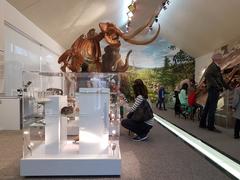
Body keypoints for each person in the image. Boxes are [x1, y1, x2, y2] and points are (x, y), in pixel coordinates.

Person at [199, 53, 230, 132]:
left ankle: (202, 124)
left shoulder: (215, 67)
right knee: (212, 108)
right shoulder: (212, 67)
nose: (222, 59)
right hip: (213, 89)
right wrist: (217, 86)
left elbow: (220, 79)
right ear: (217, 59)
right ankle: (210, 126)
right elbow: (208, 75)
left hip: (213, 89)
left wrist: (227, 87)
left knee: (207, 108)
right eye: (221, 58)